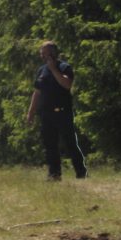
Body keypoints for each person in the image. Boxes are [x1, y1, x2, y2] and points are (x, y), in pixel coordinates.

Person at [26, 40, 87, 180]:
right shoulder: (41, 70)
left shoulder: (64, 67)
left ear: (53, 53)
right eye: (41, 53)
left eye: (45, 53)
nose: (42, 56)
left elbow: (67, 85)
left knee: (70, 143)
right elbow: (37, 92)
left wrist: (53, 69)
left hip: (62, 111)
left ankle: (81, 173)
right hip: (46, 113)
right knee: (50, 145)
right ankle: (54, 174)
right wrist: (31, 112)